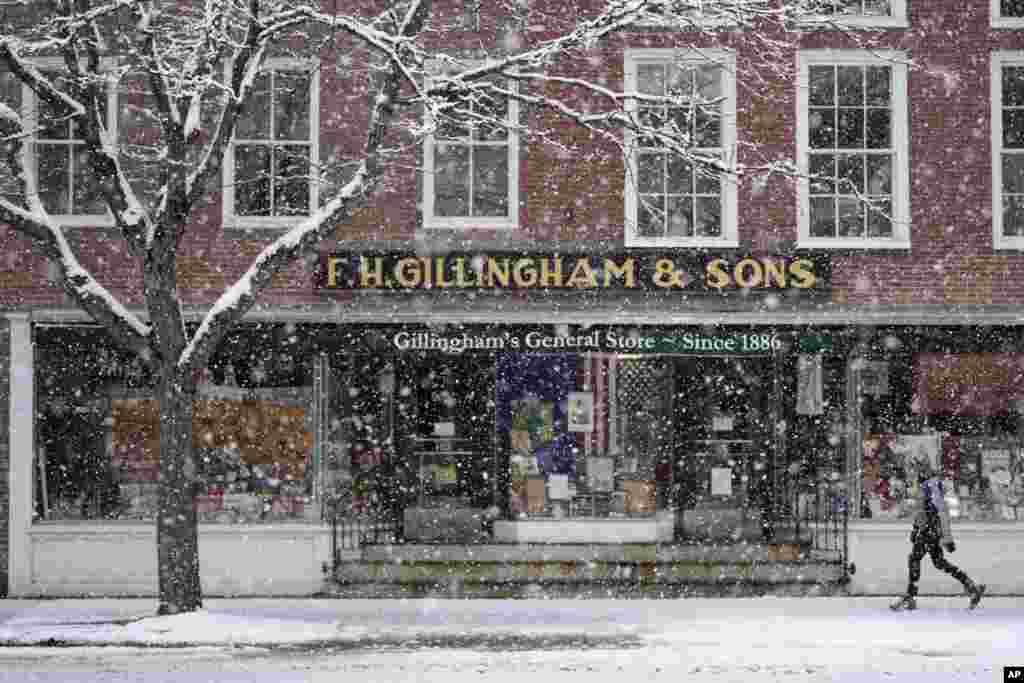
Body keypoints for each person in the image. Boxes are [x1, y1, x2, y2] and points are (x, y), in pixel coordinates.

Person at [891, 458, 985, 611]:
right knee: (938, 562)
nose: (915, 472)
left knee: (915, 558)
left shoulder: (931, 485)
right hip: (929, 529)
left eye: (917, 468)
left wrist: (946, 537)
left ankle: (911, 596)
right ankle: (971, 585)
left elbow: (941, 512)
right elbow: (921, 511)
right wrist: (916, 528)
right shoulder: (925, 485)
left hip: (929, 530)